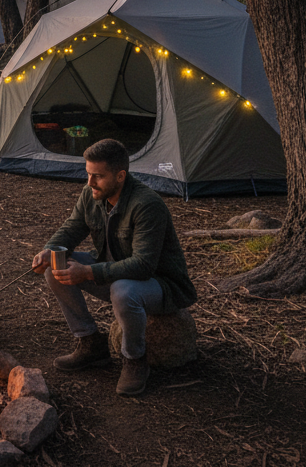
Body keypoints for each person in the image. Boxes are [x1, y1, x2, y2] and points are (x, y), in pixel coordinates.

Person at [31, 138, 197, 397]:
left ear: (120, 176)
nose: (89, 183)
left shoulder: (147, 205)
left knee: (123, 291)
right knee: (55, 268)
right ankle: (90, 343)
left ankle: (135, 360)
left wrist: (87, 272)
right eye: (88, 174)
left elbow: (143, 266)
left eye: (97, 176)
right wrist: (49, 250)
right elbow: (72, 228)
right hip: (115, 273)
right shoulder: (92, 194)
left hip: (159, 284)